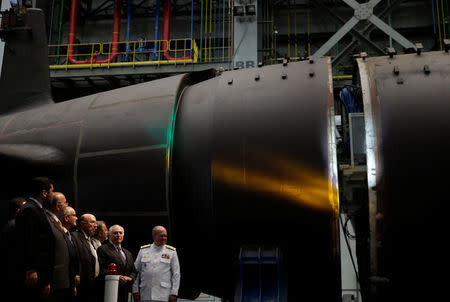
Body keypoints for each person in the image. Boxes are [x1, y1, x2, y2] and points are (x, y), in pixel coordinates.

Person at [14, 177, 55, 301]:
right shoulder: (30, 210)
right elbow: (27, 241)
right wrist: (31, 269)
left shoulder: (37, 209)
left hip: (40, 273)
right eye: (52, 191)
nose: (53, 195)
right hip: (35, 276)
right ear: (44, 193)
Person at [132, 225, 180, 302]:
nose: (164, 238)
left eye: (165, 236)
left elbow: (176, 274)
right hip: (145, 294)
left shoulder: (171, 252)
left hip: (163, 295)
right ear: (154, 236)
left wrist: (174, 293)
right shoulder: (143, 250)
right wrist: (135, 291)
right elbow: (135, 272)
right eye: (161, 236)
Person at [97, 225, 136, 302]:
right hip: (110, 289)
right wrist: (118, 277)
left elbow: (133, 271)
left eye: (120, 233)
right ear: (109, 235)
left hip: (126, 291)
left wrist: (130, 278)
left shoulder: (127, 253)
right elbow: (101, 269)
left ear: (123, 235)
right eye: (115, 233)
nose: (118, 235)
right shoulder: (102, 249)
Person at [44, 192, 71, 301]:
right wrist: (46, 281)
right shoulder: (47, 221)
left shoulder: (56, 222)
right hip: (53, 283)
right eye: (65, 203)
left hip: (61, 282)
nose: (67, 205)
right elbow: (45, 252)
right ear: (57, 206)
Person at [0, 197, 26, 294]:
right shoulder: (15, 226)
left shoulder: (11, 225)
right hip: (17, 275)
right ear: (19, 210)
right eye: (26, 208)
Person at [72, 213, 99, 302]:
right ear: (83, 224)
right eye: (92, 222)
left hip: (91, 285)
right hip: (81, 285)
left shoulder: (90, 240)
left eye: (95, 223)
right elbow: (73, 259)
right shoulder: (75, 237)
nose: (95, 226)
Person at [62, 206, 81, 300]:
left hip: (71, 283)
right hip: (62, 284)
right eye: (74, 215)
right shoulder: (60, 235)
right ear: (66, 218)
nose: (77, 218)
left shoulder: (71, 236)